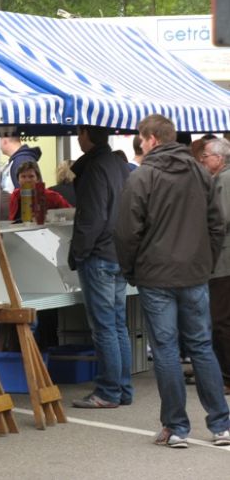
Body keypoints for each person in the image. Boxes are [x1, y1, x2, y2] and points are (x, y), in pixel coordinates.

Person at [115, 114, 230, 448]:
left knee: (166, 350)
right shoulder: (200, 172)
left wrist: (130, 269)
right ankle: (221, 425)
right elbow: (217, 224)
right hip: (194, 272)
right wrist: (205, 261)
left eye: (141, 139)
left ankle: (177, 426)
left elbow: (127, 231)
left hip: (155, 274)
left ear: (151, 139)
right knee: (201, 346)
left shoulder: (143, 176)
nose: (140, 144)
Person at [68, 125, 132, 409]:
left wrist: (78, 253)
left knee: (105, 327)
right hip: (118, 253)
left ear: (86, 134)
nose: (77, 137)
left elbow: (91, 218)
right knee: (117, 325)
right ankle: (122, 389)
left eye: (79, 132)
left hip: (99, 255)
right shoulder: (119, 164)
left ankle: (108, 391)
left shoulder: (95, 168)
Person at [198, 137, 230, 396]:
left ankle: (227, 376)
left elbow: (221, 220)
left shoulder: (224, 180)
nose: (202, 160)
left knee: (220, 320)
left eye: (206, 155)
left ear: (219, 158)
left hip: (223, 261)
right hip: (223, 259)